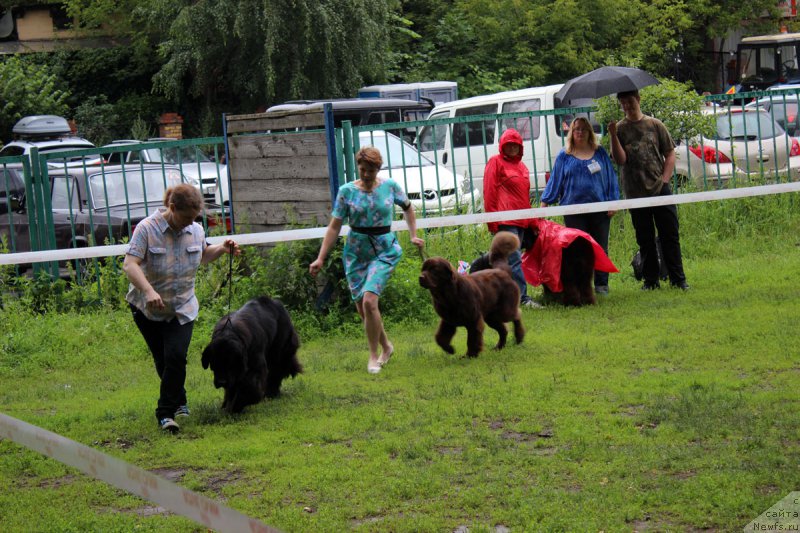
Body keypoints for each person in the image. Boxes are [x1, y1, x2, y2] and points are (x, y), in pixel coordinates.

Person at [123, 184, 240, 433]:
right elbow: (130, 264)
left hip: (182, 308)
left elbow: (203, 254)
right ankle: (180, 399)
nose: (190, 223)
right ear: (172, 208)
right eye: (186, 217)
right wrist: (149, 291)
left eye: (194, 218)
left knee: (176, 357)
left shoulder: (195, 230)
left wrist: (222, 248)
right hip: (147, 309)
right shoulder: (147, 229)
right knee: (164, 361)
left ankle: (165, 413)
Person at [309, 147, 424, 374]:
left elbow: (409, 208)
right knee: (363, 309)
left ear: (377, 169)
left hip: (384, 250)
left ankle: (373, 357)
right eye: (362, 169)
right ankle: (387, 346)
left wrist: (413, 234)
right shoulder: (346, 192)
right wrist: (321, 258)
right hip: (355, 253)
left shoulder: (390, 187)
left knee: (370, 301)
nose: (366, 174)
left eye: (370, 170)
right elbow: (334, 227)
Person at [608, 90, 689, 291]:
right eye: (623, 102)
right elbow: (620, 160)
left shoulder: (655, 125)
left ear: (638, 99)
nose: (627, 105)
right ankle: (650, 280)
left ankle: (678, 279)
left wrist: (665, 180)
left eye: (630, 101)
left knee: (670, 235)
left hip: (660, 190)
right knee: (644, 238)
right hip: (635, 193)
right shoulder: (619, 129)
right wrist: (612, 135)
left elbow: (670, 154)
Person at [540, 117, 620, 295]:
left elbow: (611, 178)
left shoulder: (599, 153)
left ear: (590, 132)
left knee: (600, 248)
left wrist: (613, 201)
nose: (580, 132)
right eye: (576, 129)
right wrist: (544, 203)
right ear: (571, 133)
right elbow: (555, 181)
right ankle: (580, 286)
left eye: (584, 129)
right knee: (578, 250)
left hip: (600, 210)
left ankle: (601, 286)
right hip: (573, 211)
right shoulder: (564, 155)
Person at [483, 128, 539, 307]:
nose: (513, 148)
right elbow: (489, 191)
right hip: (505, 220)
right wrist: (492, 220)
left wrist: (532, 220)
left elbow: (525, 196)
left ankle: (497, 294)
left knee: (508, 260)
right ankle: (522, 298)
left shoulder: (522, 167)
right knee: (514, 260)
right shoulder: (495, 162)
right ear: (502, 146)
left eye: (516, 145)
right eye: (509, 144)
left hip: (521, 220)